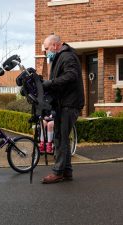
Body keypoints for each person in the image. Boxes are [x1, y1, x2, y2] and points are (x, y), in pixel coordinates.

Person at [41, 35, 84, 184]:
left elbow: (71, 75)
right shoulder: (61, 57)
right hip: (64, 104)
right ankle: (67, 172)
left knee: (60, 138)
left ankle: (58, 172)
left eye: (46, 49)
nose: (46, 52)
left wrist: (50, 83)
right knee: (61, 136)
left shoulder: (67, 56)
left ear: (54, 45)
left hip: (69, 104)